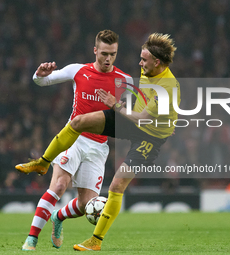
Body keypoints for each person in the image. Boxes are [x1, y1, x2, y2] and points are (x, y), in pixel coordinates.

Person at [17, 32, 179, 251]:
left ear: (157, 62)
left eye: (144, 59)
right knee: (77, 126)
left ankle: (91, 237)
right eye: (104, 53)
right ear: (95, 51)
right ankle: (43, 164)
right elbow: (42, 81)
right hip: (100, 132)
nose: (139, 63)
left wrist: (117, 105)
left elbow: (144, 116)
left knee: (107, 192)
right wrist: (38, 75)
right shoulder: (84, 70)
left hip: (147, 135)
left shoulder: (162, 87)